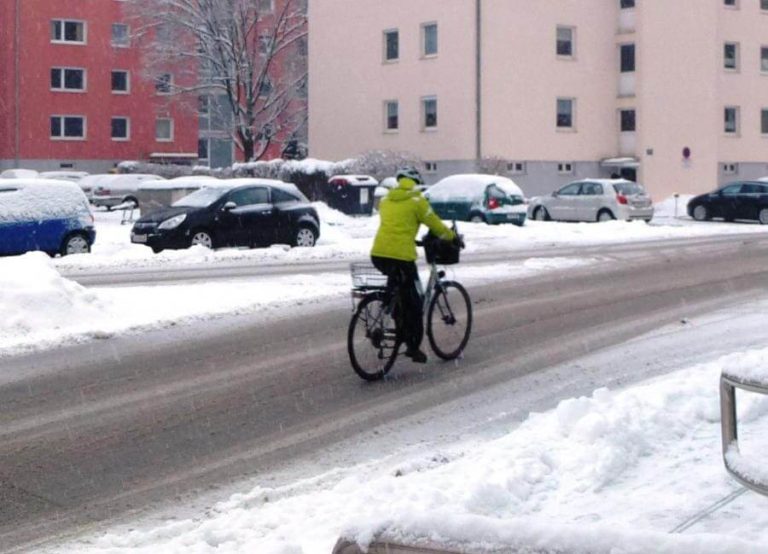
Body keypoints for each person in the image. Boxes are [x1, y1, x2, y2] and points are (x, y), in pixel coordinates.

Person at [370, 167, 456, 363]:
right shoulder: (417, 201)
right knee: (415, 303)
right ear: (416, 183)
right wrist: (452, 237)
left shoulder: (386, 200)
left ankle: (396, 317)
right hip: (401, 258)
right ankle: (413, 346)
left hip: (379, 255)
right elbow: (435, 224)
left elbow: (396, 227)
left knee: (400, 292)